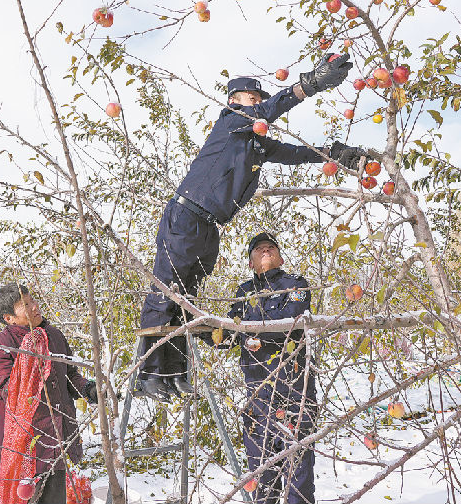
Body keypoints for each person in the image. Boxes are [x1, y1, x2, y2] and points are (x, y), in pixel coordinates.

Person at [136, 53, 366, 400]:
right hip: (186, 217)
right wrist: (308, 86)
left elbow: (292, 154)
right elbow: (268, 111)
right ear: (235, 100)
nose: (257, 102)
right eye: (252, 98)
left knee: (186, 298)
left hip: (209, 226)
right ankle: (149, 373)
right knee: (166, 291)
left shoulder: (254, 143)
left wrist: (331, 153)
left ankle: (175, 371)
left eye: (259, 97)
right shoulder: (231, 122)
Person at [0, 283, 97, 504]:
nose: (35, 306)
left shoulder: (53, 336)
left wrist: (88, 389)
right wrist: (33, 358)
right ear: (9, 318)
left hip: (56, 442)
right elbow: (12, 393)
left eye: (32, 300)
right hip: (23, 450)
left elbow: (69, 376)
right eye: (25, 305)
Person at [229, 232, 317, 504]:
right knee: (262, 479)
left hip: (294, 392)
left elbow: (291, 319)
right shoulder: (243, 292)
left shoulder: (296, 284)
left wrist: (251, 331)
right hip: (258, 396)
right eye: (259, 249)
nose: (265, 250)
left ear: (280, 258)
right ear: (250, 262)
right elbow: (230, 330)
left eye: (271, 247)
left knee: (298, 476)